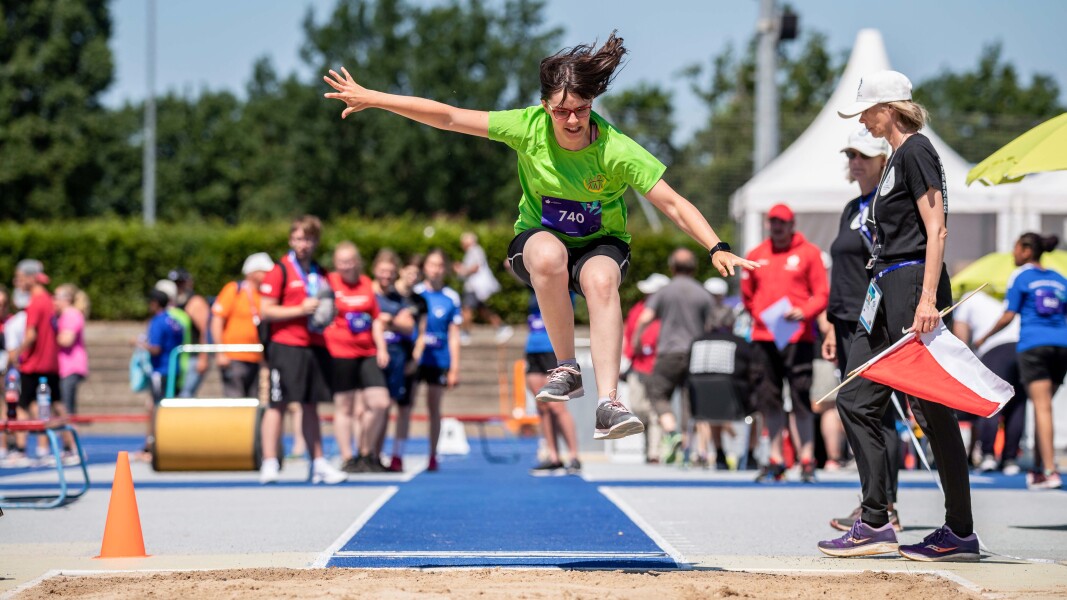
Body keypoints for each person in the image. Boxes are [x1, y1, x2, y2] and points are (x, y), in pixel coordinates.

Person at [323, 31, 756, 443]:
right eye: (562, 111)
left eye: (582, 109)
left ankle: (609, 403)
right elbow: (449, 116)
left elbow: (673, 203)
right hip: (538, 239)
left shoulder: (615, 150)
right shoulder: (527, 127)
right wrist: (375, 98)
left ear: (592, 104)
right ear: (545, 106)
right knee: (549, 255)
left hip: (599, 243)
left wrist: (716, 246)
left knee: (601, 280)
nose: (573, 120)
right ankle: (566, 368)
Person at [821, 70, 979, 561]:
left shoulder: (917, 151)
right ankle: (875, 520)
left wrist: (928, 298)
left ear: (888, 109)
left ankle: (960, 530)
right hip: (883, 287)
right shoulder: (895, 158)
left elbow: (937, 228)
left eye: (867, 111)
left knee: (930, 409)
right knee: (854, 397)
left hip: (911, 284)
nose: (863, 121)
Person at [821, 129, 905, 531]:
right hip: (844, 319)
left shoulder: (885, 205)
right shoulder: (852, 206)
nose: (855, 161)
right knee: (859, 411)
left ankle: (885, 505)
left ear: (883, 160)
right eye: (851, 154)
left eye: (863, 155)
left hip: (871, 320)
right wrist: (829, 325)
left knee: (875, 412)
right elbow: (842, 269)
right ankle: (872, 500)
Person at [741, 204, 829, 483]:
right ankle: (776, 459)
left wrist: (804, 311)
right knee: (769, 399)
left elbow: (821, 294)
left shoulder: (809, 253)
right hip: (764, 337)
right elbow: (748, 295)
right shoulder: (756, 255)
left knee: (801, 397)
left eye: (782, 222)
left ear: (792, 224)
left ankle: (807, 459)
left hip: (798, 337)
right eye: (773, 222)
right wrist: (761, 316)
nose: (777, 227)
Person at [258, 215, 346, 485]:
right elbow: (265, 310)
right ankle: (269, 461)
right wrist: (300, 309)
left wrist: (328, 313)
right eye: (298, 239)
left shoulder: (320, 272)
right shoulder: (280, 270)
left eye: (307, 239)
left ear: (316, 241)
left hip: (314, 345)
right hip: (285, 345)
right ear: (290, 240)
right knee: (278, 403)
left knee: (311, 405)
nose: (303, 244)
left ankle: (318, 463)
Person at [974, 233, 1066, 490]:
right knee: (1043, 407)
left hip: (1034, 345)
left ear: (1026, 250)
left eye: (1015, 248)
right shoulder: (1059, 278)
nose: (1012, 254)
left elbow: (1009, 315)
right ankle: (1039, 469)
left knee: (1042, 407)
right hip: (1062, 347)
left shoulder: (1021, 276)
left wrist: (984, 337)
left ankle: (1049, 471)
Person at [633, 248, 720, 464]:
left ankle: (672, 432)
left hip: (669, 352)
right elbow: (714, 325)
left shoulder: (665, 292)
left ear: (672, 268)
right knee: (690, 401)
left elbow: (645, 317)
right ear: (694, 268)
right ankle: (688, 446)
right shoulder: (703, 293)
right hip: (696, 354)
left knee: (657, 393)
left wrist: (636, 340)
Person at [326, 241, 392, 474]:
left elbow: (375, 319)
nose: (345, 266)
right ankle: (347, 457)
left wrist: (381, 348)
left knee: (380, 402)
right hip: (340, 351)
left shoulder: (366, 283)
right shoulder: (329, 283)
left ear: (357, 262)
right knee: (344, 406)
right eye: (341, 262)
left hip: (367, 351)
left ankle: (366, 452)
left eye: (349, 261)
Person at [952, 290, 1023, 476]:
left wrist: (966, 356)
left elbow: (961, 331)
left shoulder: (970, 297)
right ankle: (1010, 459)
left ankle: (988, 454)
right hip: (1022, 347)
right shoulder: (1008, 296)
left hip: (994, 349)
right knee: (1017, 405)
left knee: (991, 400)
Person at [411, 249, 462, 472]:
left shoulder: (451, 297)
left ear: (445, 269)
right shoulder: (415, 293)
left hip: (439, 359)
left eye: (440, 265)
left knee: (434, 407)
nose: (435, 270)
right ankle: (397, 453)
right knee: (406, 405)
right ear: (425, 267)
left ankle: (433, 454)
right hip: (416, 358)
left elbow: (454, 335)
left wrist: (454, 368)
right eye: (432, 264)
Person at [369, 249, 418, 472]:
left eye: (390, 272)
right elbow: (371, 321)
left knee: (386, 407)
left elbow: (408, 326)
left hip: (395, 357)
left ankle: (376, 455)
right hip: (371, 356)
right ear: (374, 270)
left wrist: (390, 321)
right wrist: (384, 321)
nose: (386, 276)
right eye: (383, 271)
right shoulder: (368, 293)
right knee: (369, 407)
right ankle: (364, 453)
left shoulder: (398, 298)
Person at [527, 293, 581, 476]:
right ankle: (553, 456)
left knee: (557, 406)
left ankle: (574, 456)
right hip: (533, 348)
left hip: (553, 349)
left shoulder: (563, 285)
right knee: (542, 405)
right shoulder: (533, 286)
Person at [211, 253, 274, 398]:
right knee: (235, 400)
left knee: (254, 402)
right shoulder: (234, 290)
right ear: (253, 273)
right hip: (234, 357)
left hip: (258, 358)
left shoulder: (266, 294)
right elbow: (217, 321)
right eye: (265, 272)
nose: (269, 275)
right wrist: (220, 352)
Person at [622, 273, 669, 463]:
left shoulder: (669, 312)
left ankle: (654, 452)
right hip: (639, 365)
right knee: (638, 407)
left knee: (656, 410)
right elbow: (629, 335)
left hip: (660, 366)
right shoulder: (638, 309)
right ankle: (648, 445)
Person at [386, 254, 427, 471]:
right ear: (401, 271)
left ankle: (397, 454)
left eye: (417, 273)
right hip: (387, 356)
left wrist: (415, 359)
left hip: (408, 359)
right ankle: (374, 452)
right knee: (382, 406)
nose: (413, 276)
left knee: (404, 408)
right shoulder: (389, 295)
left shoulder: (420, 301)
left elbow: (422, 333)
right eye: (409, 271)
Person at [135, 289, 184, 457]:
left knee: (156, 408)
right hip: (174, 369)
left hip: (161, 370)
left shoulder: (157, 321)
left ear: (155, 303)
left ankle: (154, 445)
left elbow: (155, 349)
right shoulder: (174, 320)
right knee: (167, 406)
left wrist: (139, 344)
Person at [454, 232, 512, 345]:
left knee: (466, 309)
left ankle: (465, 333)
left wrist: (461, 270)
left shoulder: (474, 250)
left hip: (474, 287)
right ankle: (501, 327)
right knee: (482, 309)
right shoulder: (474, 251)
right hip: (476, 287)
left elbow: (475, 267)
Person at [167, 269, 211, 398]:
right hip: (179, 358)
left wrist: (203, 357)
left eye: (180, 283)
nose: (178, 287)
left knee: (185, 396)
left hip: (193, 357)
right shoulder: (175, 304)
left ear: (188, 282)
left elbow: (206, 330)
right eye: (175, 283)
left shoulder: (195, 302)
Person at [54, 284, 90, 415]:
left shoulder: (71, 314)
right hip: (66, 367)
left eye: (56, 297)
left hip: (71, 366)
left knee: (67, 409)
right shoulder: (65, 315)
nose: (54, 301)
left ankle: (70, 428)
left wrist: (47, 337)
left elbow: (67, 340)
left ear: (67, 299)